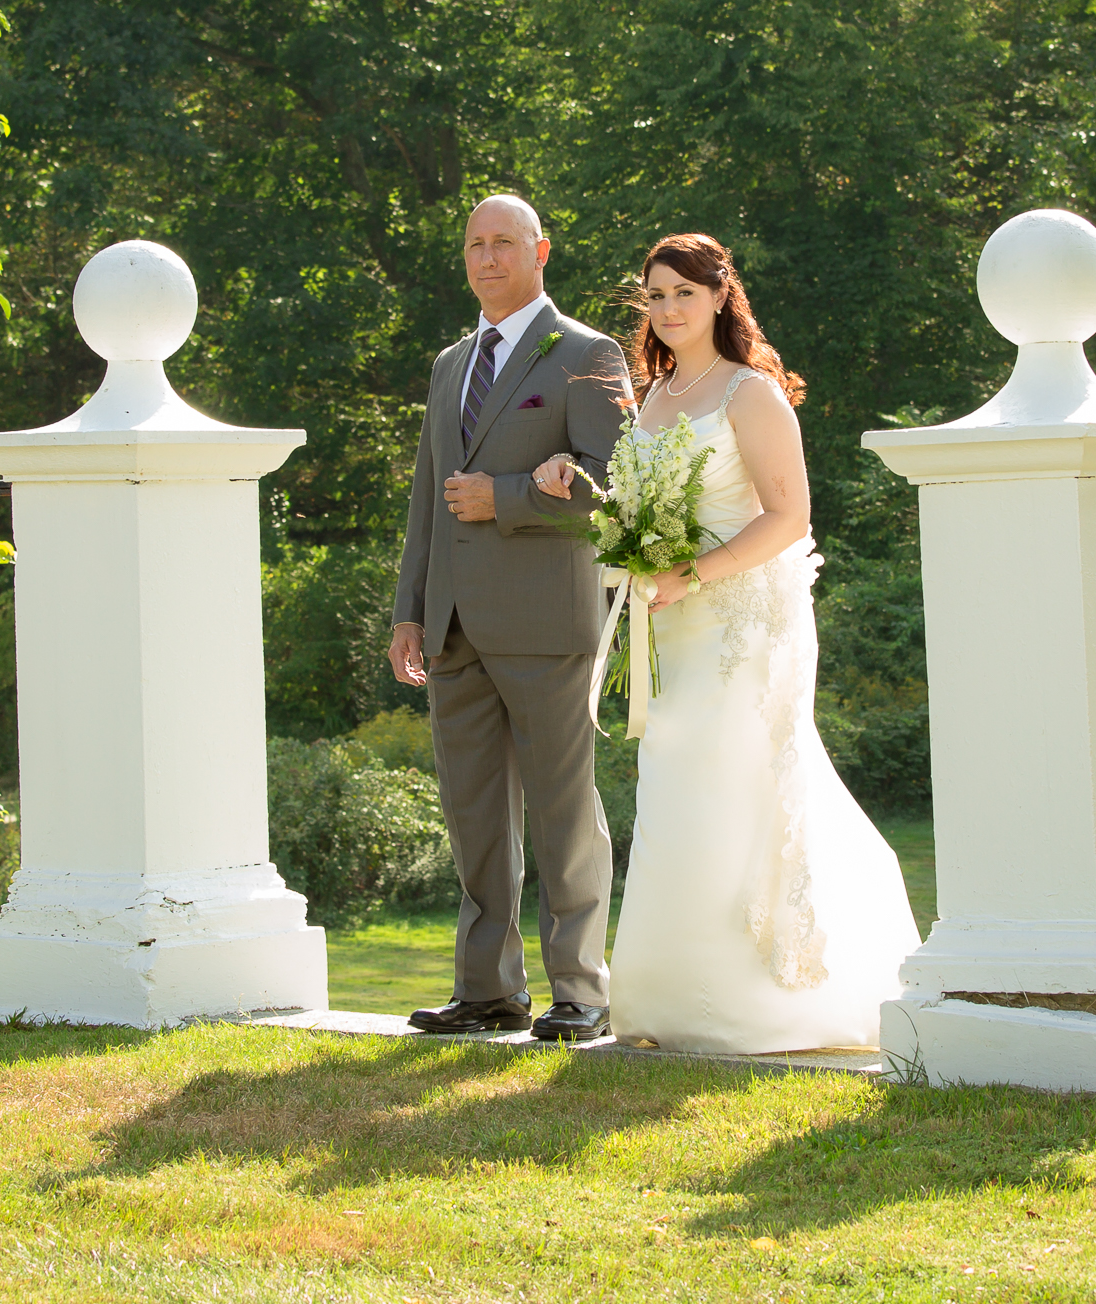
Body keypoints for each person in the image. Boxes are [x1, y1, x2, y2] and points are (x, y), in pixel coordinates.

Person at [533, 232, 919, 1053]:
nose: (669, 310)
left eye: (684, 293)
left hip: (746, 620)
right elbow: (642, 502)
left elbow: (789, 516)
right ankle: (674, 1000)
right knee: (680, 777)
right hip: (675, 618)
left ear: (719, 296)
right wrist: (583, 485)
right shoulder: (656, 396)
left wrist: (696, 575)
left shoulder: (751, 394)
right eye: (656, 297)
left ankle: (758, 1001)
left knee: (737, 781)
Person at [388, 194, 635, 1041]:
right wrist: (409, 611)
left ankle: (582, 992)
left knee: (565, 814)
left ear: (541, 252)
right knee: (475, 817)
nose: (487, 259)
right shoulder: (450, 362)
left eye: (504, 244)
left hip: (546, 621)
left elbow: (616, 489)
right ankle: (488, 991)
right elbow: (428, 498)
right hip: (453, 627)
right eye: (474, 246)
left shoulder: (589, 354)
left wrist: (511, 498)